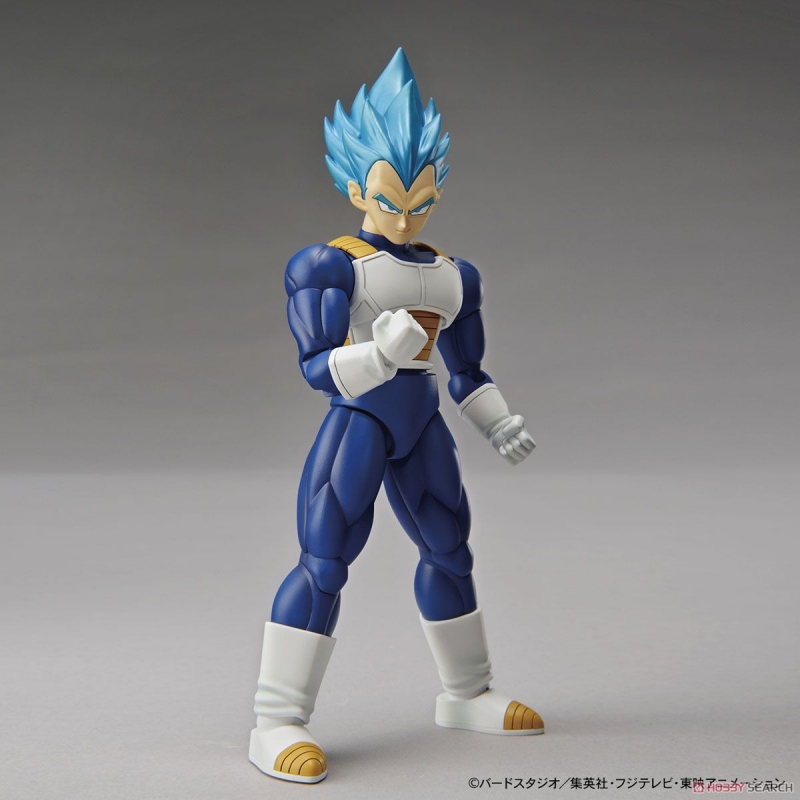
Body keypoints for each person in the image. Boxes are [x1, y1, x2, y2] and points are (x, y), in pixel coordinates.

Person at [249, 48, 542, 784]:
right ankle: (276, 720)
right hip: (361, 420)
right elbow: (316, 367)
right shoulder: (329, 265)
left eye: (421, 201)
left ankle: (466, 694)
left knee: (450, 549)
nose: (405, 218)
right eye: (389, 201)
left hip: (422, 425)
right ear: (356, 187)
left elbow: (466, 371)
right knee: (325, 558)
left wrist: (498, 421)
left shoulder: (453, 276)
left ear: (437, 189)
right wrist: (379, 355)